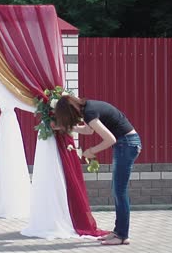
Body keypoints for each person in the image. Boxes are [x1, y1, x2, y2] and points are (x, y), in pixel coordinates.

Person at [53, 95, 142, 245]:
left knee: (119, 191)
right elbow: (89, 131)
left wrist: (91, 151)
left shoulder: (89, 113)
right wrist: (65, 128)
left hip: (126, 144)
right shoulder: (89, 108)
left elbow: (110, 139)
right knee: (117, 190)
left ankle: (122, 236)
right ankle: (117, 232)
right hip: (127, 144)